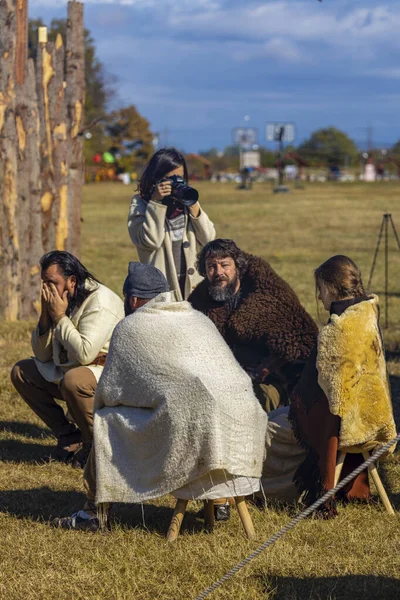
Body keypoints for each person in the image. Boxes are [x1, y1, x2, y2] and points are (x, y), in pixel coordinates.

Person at [52, 261, 268, 531]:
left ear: (132, 299)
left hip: (191, 429)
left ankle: (93, 512)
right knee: (195, 406)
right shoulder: (198, 319)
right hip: (243, 422)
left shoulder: (131, 328)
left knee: (107, 421)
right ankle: (219, 498)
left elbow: (112, 393)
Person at [289, 255, 397, 516]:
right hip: (376, 419)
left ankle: (267, 493)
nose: (318, 298)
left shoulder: (338, 329)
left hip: (349, 428)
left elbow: (333, 400)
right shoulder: (367, 313)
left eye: (320, 290)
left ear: (331, 288)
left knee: (274, 429)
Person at [10, 251, 124, 468]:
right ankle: (69, 437)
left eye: (52, 283)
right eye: (44, 283)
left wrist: (60, 318)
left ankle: (97, 445)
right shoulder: (61, 298)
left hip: (103, 373)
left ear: (72, 281)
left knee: (73, 380)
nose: (47, 289)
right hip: (70, 368)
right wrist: (46, 315)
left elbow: (84, 354)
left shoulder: (100, 301)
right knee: (21, 372)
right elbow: (42, 355)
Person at [189, 239, 318, 412]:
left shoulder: (266, 293)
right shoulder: (199, 301)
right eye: (212, 266)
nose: (219, 272)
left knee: (258, 399)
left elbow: (297, 339)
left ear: (237, 267)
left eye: (224, 265)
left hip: (269, 378)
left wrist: (260, 372)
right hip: (220, 379)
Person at [128, 148, 216, 300]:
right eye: (171, 179)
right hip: (162, 292)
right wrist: (156, 203)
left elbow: (208, 239)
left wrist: (193, 205)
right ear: (156, 179)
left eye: (180, 178)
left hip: (194, 289)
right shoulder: (141, 203)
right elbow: (151, 241)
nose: (177, 183)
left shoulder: (186, 202)